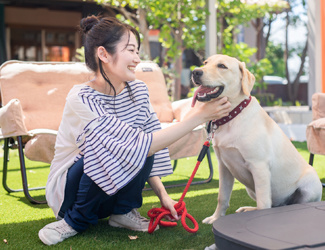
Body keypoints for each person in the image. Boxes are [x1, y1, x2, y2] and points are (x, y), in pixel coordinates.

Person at [38, 15, 231, 246]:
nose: (137, 59)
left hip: (109, 194)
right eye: (130, 50)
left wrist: (164, 196)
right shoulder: (81, 97)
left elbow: (150, 145)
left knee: (143, 141)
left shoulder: (138, 90)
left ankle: (122, 212)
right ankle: (74, 222)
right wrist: (199, 116)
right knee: (108, 142)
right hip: (71, 194)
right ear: (103, 54)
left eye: (137, 51)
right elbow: (134, 144)